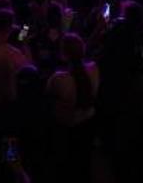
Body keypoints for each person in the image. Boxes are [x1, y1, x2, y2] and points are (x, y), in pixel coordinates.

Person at [46, 33, 99, 182]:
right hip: (89, 123)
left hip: (66, 128)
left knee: (66, 166)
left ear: (63, 54)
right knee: (84, 164)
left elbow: (47, 96)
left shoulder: (58, 79)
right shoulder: (94, 69)